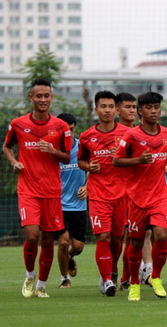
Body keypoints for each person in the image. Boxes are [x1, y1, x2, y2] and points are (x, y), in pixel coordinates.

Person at [3, 78, 73, 298]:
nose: (43, 100)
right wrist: (14, 162)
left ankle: (42, 285)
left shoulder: (61, 127)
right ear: (31, 97)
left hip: (52, 191)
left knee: (47, 240)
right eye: (39, 96)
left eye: (47, 96)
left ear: (51, 97)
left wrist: (53, 151)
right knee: (32, 235)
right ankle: (30, 275)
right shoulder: (18, 124)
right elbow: (6, 146)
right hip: (28, 189)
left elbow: (66, 157)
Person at [113, 91, 167, 301]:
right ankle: (134, 285)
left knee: (162, 235)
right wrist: (138, 160)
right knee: (136, 242)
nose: (154, 111)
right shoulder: (131, 136)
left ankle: (155, 276)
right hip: (137, 198)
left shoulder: (166, 134)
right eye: (149, 107)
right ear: (140, 111)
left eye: (156, 107)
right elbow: (116, 161)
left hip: (159, 197)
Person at [78, 91, 132, 297]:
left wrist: (121, 154)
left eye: (111, 106)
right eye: (103, 106)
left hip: (123, 193)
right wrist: (88, 166)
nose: (107, 110)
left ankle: (112, 271)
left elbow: (136, 160)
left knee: (117, 239)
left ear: (116, 110)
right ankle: (106, 279)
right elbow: (81, 160)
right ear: (96, 110)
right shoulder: (87, 136)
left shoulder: (127, 134)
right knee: (103, 236)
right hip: (99, 194)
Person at [55, 113, 87, 289]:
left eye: (72, 129)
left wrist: (88, 186)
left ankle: (70, 257)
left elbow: (96, 168)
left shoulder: (82, 147)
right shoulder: (53, 151)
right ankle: (64, 278)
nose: (69, 133)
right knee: (63, 241)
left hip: (79, 204)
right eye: (65, 130)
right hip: (58, 204)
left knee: (78, 246)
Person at [115, 92, 141, 289]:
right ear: (117, 110)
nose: (132, 110)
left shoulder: (143, 132)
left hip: (137, 193)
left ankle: (126, 277)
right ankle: (110, 273)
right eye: (127, 107)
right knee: (114, 237)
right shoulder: (113, 133)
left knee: (134, 236)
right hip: (113, 192)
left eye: (134, 107)